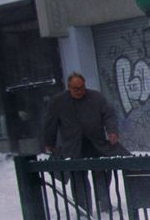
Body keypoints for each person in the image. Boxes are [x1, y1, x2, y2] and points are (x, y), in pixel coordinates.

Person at [42, 72, 128, 212]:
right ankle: (83, 208)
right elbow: (50, 123)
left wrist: (112, 132)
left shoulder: (96, 97)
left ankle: (105, 203)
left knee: (102, 173)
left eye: (81, 87)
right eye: (75, 88)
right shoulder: (58, 101)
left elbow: (109, 115)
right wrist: (49, 142)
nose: (79, 91)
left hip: (96, 143)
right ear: (68, 87)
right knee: (78, 177)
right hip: (74, 146)